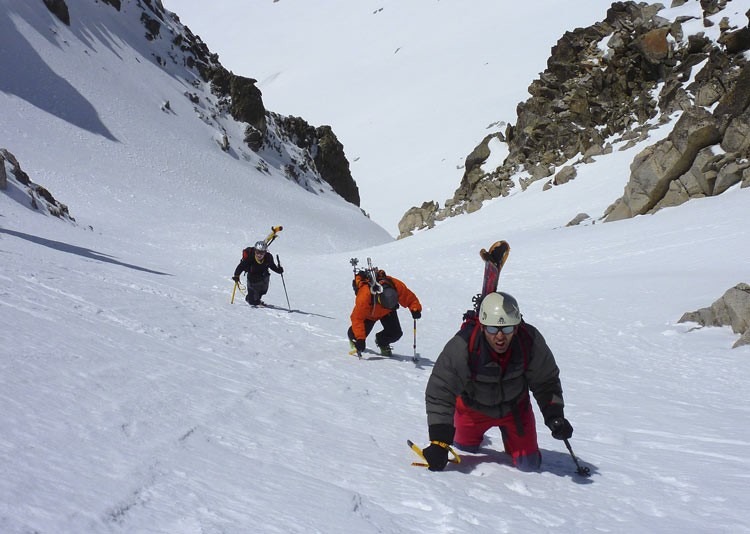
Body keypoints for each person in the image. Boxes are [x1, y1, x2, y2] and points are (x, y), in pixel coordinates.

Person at [422, 291, 574, 472]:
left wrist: (554, 415)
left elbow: (546, 380)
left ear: (516, 327)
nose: (500, 337)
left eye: (507, 329)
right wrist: (439, 441)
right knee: (464, 449)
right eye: (493, 329)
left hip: (515, 410)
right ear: (482, 326)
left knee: (529, 465)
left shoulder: (529, 341)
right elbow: (441, 389)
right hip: (472, 409)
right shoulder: (463, 345)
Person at [348, 268, 422, 356]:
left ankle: (382, 341)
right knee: (356, 335)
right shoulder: (365, 295)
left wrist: (415, 309)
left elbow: (409, 297)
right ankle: (353, 338)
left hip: (387, 312)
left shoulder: (394, 285)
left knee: (395, 333)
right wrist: (360, 339)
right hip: (369, 314)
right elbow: (357, 318)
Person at [232, 241, 283, 306]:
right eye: (257, 252)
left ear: (265, 252)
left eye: (262, 253)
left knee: (262, 292)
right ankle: (251, 299)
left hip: (264, 278)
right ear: (255, 251)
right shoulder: (250, 258)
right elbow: (241, 266)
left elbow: (272, 266)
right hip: (252, 279)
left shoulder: (268, 257)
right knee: (252, 302)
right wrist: (236, 275)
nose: (259, 255)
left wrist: (279, 270)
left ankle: (257, 299)